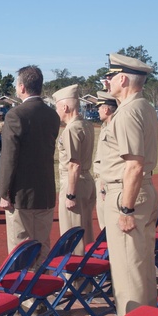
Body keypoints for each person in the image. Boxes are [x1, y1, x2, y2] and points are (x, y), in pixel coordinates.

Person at [96, 53, 158, 316]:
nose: (107, 82)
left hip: (128, 193)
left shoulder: (128, 112)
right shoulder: (143, 107)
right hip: (139, 192)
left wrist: (125, 208)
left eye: (110, 77)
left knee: (128, 274)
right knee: (142, 269)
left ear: (123, 79)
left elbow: (133, 166)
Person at [0, 65, 60, 266]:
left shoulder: (16, 115)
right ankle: (41, 290)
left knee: (21, 248)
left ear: (22, 87)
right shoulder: (52, 115)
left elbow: (9, 157)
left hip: (21, 194)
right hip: (45, 191)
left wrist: (3, 191)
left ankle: (26, 295)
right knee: (42, 245)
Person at [54, 84, 96, 254]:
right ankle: (87, 274)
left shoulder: (71, 129)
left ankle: (74, 277)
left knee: (72, 235)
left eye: (57, 107)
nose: (56, 111)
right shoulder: (86, 124)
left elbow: (73, 164)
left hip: (74, 183)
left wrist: (70, 194)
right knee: (86, 230)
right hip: (86, 181)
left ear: (65, 107)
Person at [93, 91, 118, 226]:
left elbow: (110, 160)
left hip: (107, 182)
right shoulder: (105, 126)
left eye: (99, 107)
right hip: (102, 179)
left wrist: (103, 186)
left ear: (106, 109)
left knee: (108, 225)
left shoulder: (113, 127)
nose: (97, 110)